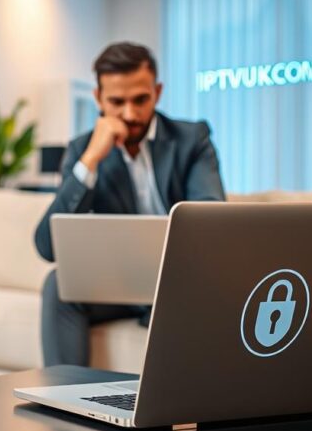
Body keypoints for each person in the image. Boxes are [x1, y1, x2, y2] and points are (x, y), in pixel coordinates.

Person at [34, 42, 226, 367]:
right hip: (118, 285)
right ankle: (64, 393)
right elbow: (47, 246)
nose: (130, 114)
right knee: (57, 284)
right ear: (98, 98)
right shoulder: (82, 149)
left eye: (140, 100)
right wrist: (91, 160)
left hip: (181, 282)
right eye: (116, 102)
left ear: (157, 92)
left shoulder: (192, 139)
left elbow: (211, 220)